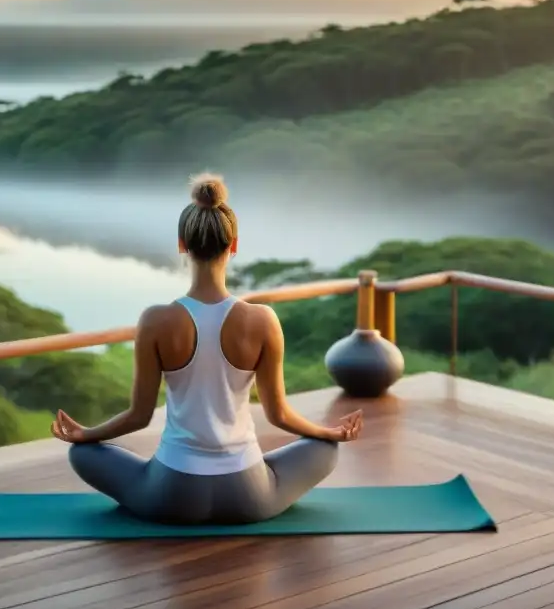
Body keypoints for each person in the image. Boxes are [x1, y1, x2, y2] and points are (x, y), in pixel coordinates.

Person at [51, 173, 363, 525]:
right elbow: (279, 415)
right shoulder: (262, 320)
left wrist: (86, 434)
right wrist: (329, 433)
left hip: (170, 496)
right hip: (249, 496)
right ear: (234, 245)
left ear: (182, 244)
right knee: (324, 449)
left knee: (83, 455)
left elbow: (138, 416)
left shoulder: (156, 319)